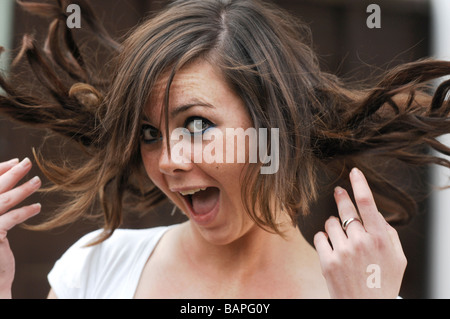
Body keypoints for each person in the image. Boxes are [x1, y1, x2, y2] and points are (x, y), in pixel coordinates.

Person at [0, 0, 449, 299]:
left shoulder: (355, 290)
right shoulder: (93, 269)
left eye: (197, 125)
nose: (169, 161)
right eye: (150, 133)